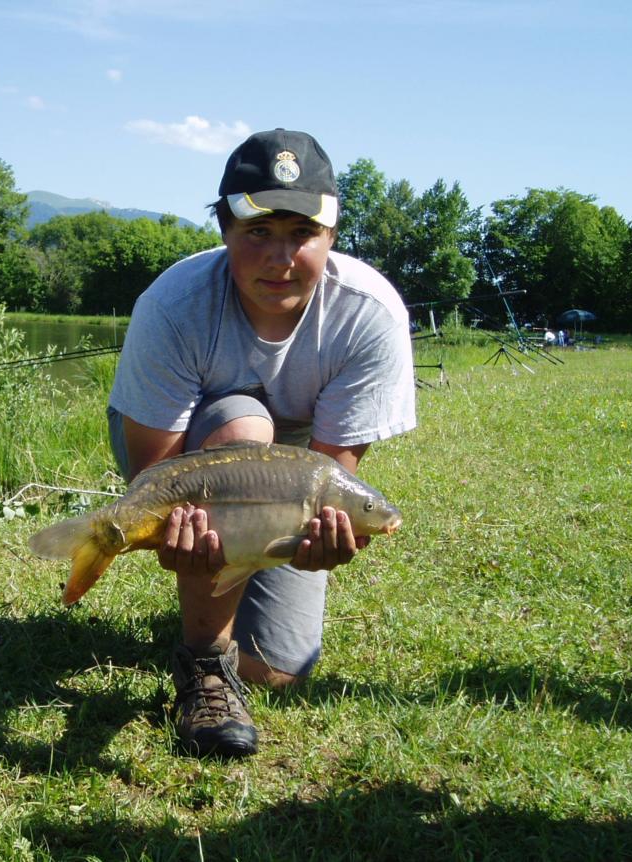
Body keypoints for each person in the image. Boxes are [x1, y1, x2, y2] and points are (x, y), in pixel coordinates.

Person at [107, 129, 416, 757]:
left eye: (302, 234)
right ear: (223, 227)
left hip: (296, 471)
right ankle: (203, 663)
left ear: (332, 235)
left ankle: (226, 622)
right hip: (181, 455)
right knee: (243, 425)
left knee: (277, 668)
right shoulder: (173, 305)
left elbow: (328, 475)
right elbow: (158, 479)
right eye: (258, 233)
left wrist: (315, 537)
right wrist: (154, 531)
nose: (281, 258)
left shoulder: (369, 314)